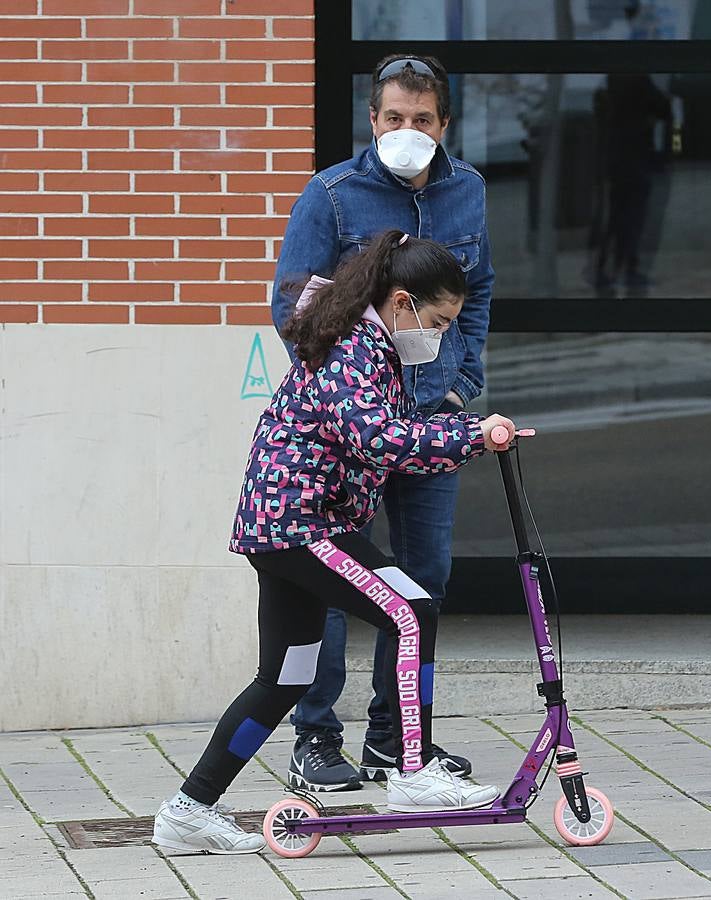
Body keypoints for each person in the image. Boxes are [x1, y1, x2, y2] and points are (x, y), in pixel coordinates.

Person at [152, 231, 515, 854]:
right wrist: (471, 437)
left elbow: (391, 435)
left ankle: (188, 810)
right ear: (402, 304)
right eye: (438, 321)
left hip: (285, 526)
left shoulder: (369, 344)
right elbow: (380, 440)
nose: (441, 335)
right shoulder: (356, 348)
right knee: (411, 609)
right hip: (303, 524)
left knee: (287, 677)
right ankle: (410, 767)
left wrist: (465, 431)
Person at [271, 53, 494, 792]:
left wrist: (461, 383)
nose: (406, 131)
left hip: (430, 418)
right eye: (393, 118)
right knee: (338, 584)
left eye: (421, 120)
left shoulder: (468, 192)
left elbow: (479, 290)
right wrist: (351, 386)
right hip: (350, 435)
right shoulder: (331, 195)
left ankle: (399, 742)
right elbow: (291, 306)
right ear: (372, 121)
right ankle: (316, 737)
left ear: (444, 125)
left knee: (422, 579)